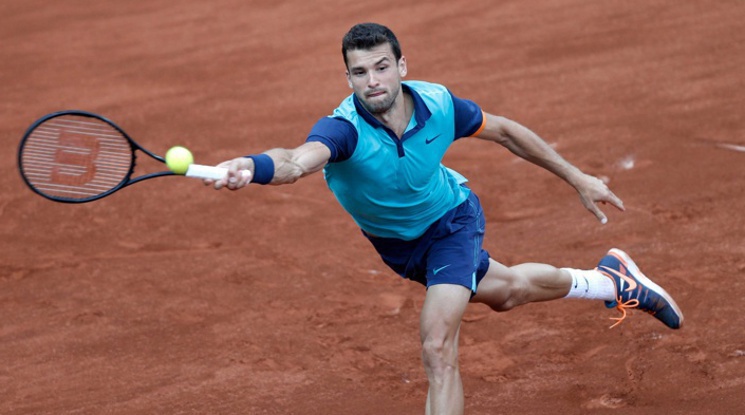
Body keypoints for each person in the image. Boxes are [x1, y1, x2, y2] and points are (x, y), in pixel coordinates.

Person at [205, 23, 683, 415]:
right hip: (399, 247)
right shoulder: (343, 130)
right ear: (347, 78)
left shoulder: (437, 105)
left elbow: (505, 132)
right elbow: (294, 161)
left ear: (401, 67)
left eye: (382, 67)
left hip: (452, 222)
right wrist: (252, 166)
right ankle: (611, 280)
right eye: (359, 72)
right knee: (508, 292)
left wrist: (577, 177)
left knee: (437, 345)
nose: (372, 81)